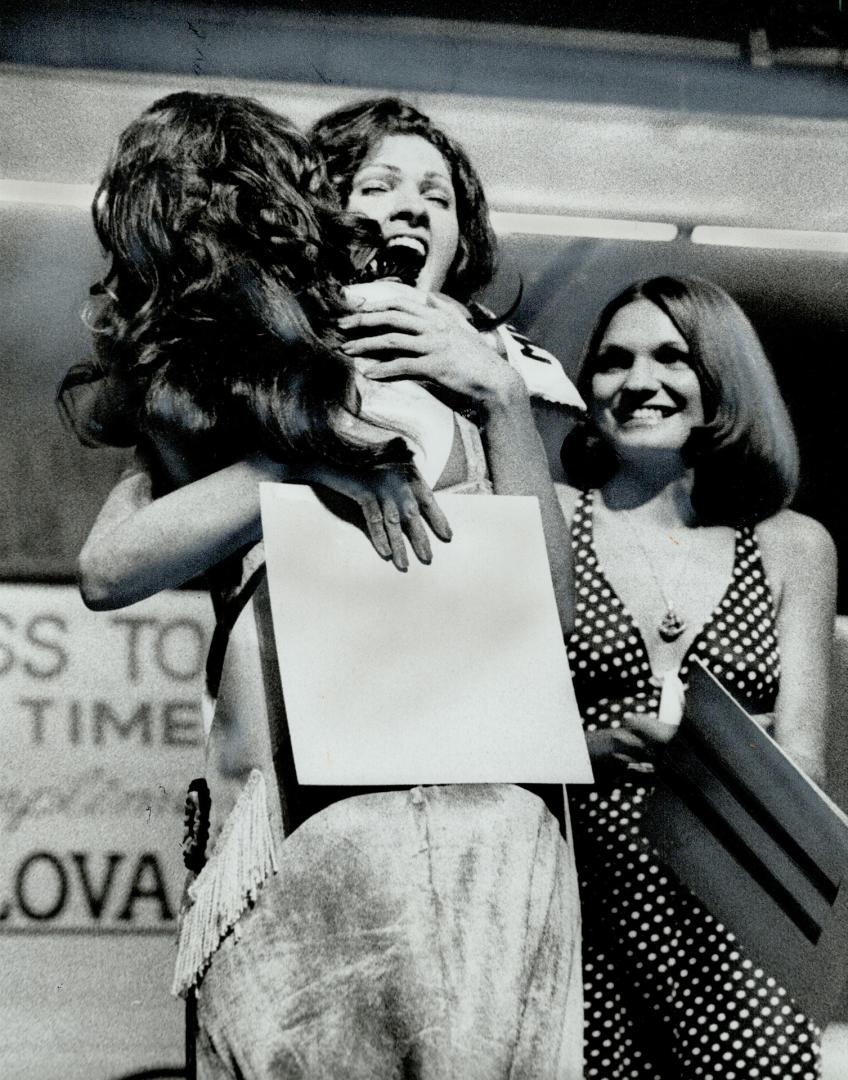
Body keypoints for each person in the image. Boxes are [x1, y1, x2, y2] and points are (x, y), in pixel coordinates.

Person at [67, 92, 584, 1079]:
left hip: (480, 840)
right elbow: (107, 567)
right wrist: (302, 460)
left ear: (458, 235)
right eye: (377, 184)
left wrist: (498, 398)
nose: (407, 209)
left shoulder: (508, 380)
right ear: (317, 214)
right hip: (295, 835)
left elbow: (548, 628)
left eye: (434, 194)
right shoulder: (256, 376)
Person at [556, 275, 835, 1080]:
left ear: (722, 381)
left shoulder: (792, 545)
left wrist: (710, 752)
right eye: (613, 361)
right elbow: (505, 728)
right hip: (583, 904)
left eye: (671, 356)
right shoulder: (552, 520)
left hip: (740, 909)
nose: (639, 381)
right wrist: (590, 746)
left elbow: (807, 759)